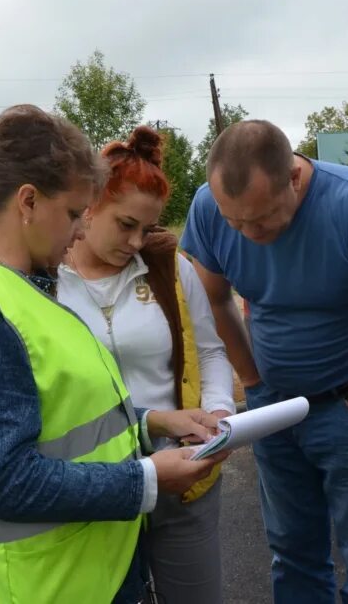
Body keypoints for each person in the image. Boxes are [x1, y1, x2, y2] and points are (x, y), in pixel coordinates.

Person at [0, 105, 229, 604]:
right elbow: (10, 482)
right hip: (37, 585)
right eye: (71, 214)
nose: (80, 232)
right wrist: (148, 477)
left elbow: (67, 415)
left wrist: (153, 425)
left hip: (84, 573)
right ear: (28, 202)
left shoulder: (27, 289)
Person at [180, 120, 348, 603]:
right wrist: (253, 383)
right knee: (293, 556)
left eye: (260, 219)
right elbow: (215, 301)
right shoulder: (209, 208)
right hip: (273, 412)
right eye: (234, 221)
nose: (247, 234)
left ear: (294, 178)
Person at [57, 125, 236, 604]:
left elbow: (211, 351)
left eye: (148, 227)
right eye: (125, 224)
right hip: (93, 484)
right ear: (89, 205)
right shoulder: (47, 275)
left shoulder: (169, 267)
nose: (137, 241)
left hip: (182, 474)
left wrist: (219, 413)